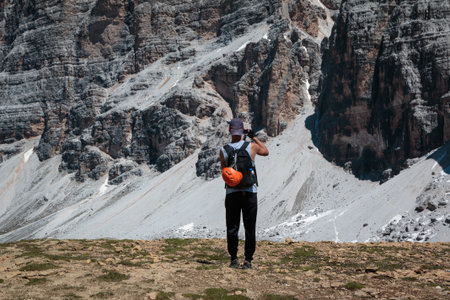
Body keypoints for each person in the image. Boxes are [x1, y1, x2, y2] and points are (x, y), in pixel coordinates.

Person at [219, 118, 269, 269]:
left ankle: (233, 259)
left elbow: (223, 171)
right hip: (249, 192)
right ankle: (248, 260)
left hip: (232, 193)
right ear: (242, 131)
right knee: (249, 226)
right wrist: (253, 136)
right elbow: (266, 152)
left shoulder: (224, 150)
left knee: (232, 226)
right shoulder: (251, 147)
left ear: (229, 131)